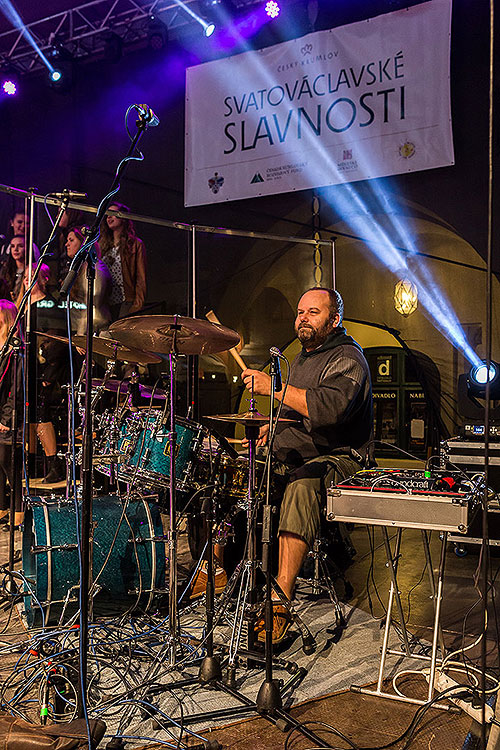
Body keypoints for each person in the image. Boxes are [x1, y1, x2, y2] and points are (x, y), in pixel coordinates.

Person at [239, 287, 373, 643]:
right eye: (300, 312)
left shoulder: (348, 358)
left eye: (313, 312)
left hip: (342, 459)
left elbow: (328, 410)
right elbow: (295, 411)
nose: (303, 318)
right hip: (301, 452)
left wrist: (274, 387)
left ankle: (281, 597)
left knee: (302, 484)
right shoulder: (300, 356)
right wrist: (273, 426)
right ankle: (221, 570)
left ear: (334, 319)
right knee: (237, 471)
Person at [17, 264, 67, 483]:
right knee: (27, 418)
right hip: (26, 368)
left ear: (44, 279)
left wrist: (50, 374)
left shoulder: (49, 306)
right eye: (25, 276)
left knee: (41, 416)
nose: (27, 280)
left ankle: (54, 464)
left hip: (44, 371)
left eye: (32, 276)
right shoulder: (22, 306)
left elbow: (57, 343)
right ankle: (30, 463)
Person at [96, 203, 147, 321]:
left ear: (123, 218)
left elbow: (141, 278)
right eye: (108, 215)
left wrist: (137, 305)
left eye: (113, 214)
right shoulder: (101, 246)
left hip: (126, 300)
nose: (109, 217)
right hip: (106, 301)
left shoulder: (135, 244)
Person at [60, 227, 112, 335]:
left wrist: (81, 334)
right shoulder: (81, 268)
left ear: (84, 243)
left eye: (71, 240)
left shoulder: (95, 268)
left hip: (94, 331)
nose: (66, 244)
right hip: (82, 329)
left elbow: (92, 305)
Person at [0, 299, 24, 531]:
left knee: (10, 465)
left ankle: (18, 514)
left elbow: (15, 389)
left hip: (8, 418)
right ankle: (2, 509)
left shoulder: (15, 352)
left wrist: (5, 419)